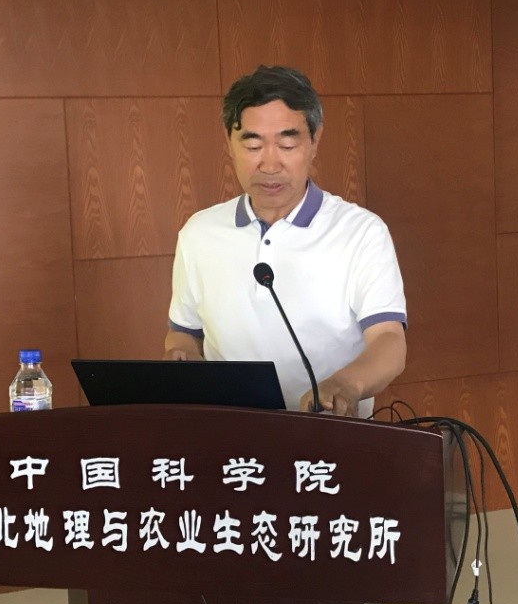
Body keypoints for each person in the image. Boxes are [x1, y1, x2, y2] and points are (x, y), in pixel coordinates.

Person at [163, 65, 407, 418]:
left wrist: (346, 385)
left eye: (287, 144)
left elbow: (389, 340)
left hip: (330, 434)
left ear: (314, 141)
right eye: (252, 145)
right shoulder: (199, 233)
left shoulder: (361, 232)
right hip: (230, 435)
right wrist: (181, 356)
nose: (269, 164)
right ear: (229, 143)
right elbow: (183, 333)